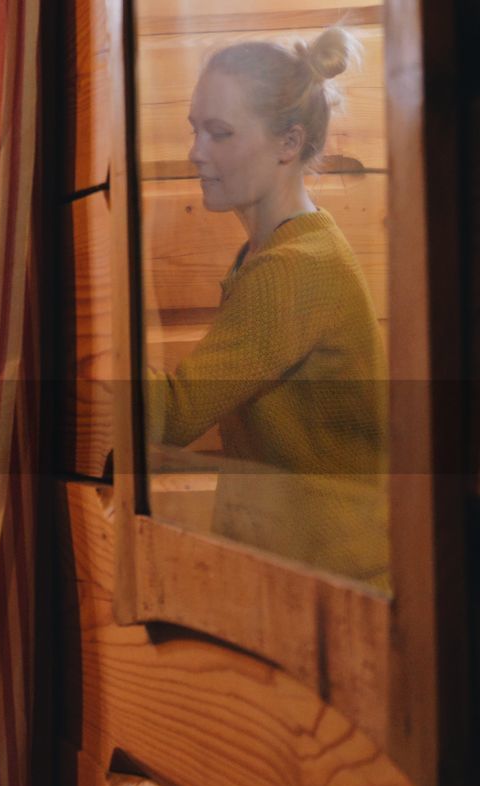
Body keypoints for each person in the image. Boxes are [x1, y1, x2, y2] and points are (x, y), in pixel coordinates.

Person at [147, 26, 389, 588]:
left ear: (288, 143)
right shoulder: (275, 250)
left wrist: (81, 350)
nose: (194, 152)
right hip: (299, 566)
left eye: (220, 133)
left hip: (339, 580)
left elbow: (174, 414)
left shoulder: (293, 266)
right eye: (195, 130)